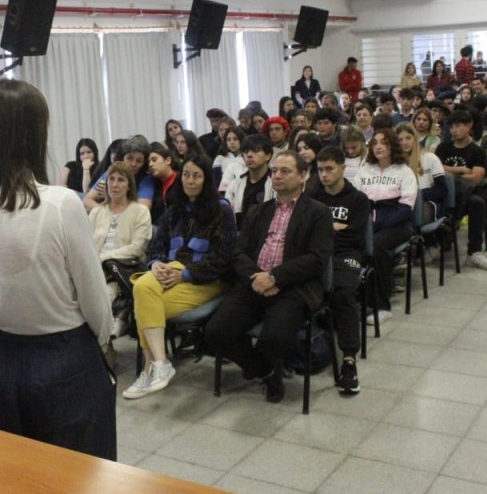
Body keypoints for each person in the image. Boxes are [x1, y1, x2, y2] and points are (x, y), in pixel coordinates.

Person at [0, 79, 115, 459]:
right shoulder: (58, 204)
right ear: (34, 134)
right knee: (82, 473)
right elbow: (94, 300)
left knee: (16, 474)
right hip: (64, 355)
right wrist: (103, 344)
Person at [204, 150, 333, 403]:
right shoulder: (257, 211)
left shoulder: (318, 212)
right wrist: (257, 276)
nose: (277, 176)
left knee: (275, 337)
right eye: (274, 171)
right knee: (215, 332)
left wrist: (274, 277)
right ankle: (266, 370)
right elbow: (238, 252)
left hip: (293, 287)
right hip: (254, 282)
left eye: (285, 171)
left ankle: (266, 369)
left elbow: (316, 259)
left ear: (303, 175)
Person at [123, 154, 237, 400]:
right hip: (169, 273)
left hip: (206, 280)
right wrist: (155, 264)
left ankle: (148, 369)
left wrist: (185, 274)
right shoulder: (174, 210)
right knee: (144, 287)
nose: (190, 181)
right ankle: (160, 365)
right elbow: (156, 246)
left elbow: (223, 259)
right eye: (186, 175)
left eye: (197, 176)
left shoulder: (221, 211)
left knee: (143, 301)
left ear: (206, 180)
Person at [310, 147, 370, 395]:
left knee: (343, 294)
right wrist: (334, 226)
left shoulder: (358, 199)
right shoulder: (313, 196)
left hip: (346, 255)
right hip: (317, 254)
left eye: (329, 169)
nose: (324, 174)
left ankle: (348, 360)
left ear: (343, 168)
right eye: (320, 169)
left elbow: (356, 236)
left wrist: (325, 228)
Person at [353, 129, 418, 322]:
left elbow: (406, 208)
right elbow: (356, 199)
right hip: (367, 219)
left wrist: (376, 223)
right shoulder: (365, 170)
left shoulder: (404, 172)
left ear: (392, 146)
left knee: (377, 246)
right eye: (375, 143)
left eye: (384, 143)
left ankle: (382, 306)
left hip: (397, 223)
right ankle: (356, 298)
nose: (379, 146)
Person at [88, 161, 152, 341]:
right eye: (111, 179)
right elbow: (86, 244)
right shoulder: (97, 212)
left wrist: (104, 258)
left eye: (120, 180)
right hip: (96, 268)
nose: (114, 184)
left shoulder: (140, 211)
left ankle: (103, 346)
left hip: (122, 269)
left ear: (129, 185)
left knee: (103, 296)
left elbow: (138, 248)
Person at [436, 110, 487, 270]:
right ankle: (437, 241)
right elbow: (436, 171)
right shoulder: (443, 148)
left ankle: (474, 252)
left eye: (458, 126)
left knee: (477, 203)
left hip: (467, 191)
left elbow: (476, 178)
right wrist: (462, 170)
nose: (454, 130)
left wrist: (448, 173)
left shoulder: (477, 151)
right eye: (451, 127)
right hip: (445, 191)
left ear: (469, 126)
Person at [84, 135, 155, 212]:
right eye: (130, 158)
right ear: (122, 158)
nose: (133, 164)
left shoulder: (146, 179)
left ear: (144, 164)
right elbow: (87, 201)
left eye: (139, 161)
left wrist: (113, 196)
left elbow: (142, 210)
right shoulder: (111, 172)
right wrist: (106, 214)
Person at [395, 122, 447, 222]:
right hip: (403, 203)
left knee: (408, 217)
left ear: (415, 139)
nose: (404, 143)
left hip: (427, 202)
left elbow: (442, 190)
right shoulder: (394, 163)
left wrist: (418, 194)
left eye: (408, 138)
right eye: (400, 140)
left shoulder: (430, 158)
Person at [147, 141, 178, 223]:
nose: (150, 164)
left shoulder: (181, 180)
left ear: (168, 160)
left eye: (154, 160)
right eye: (148, 162)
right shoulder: (153, 185)